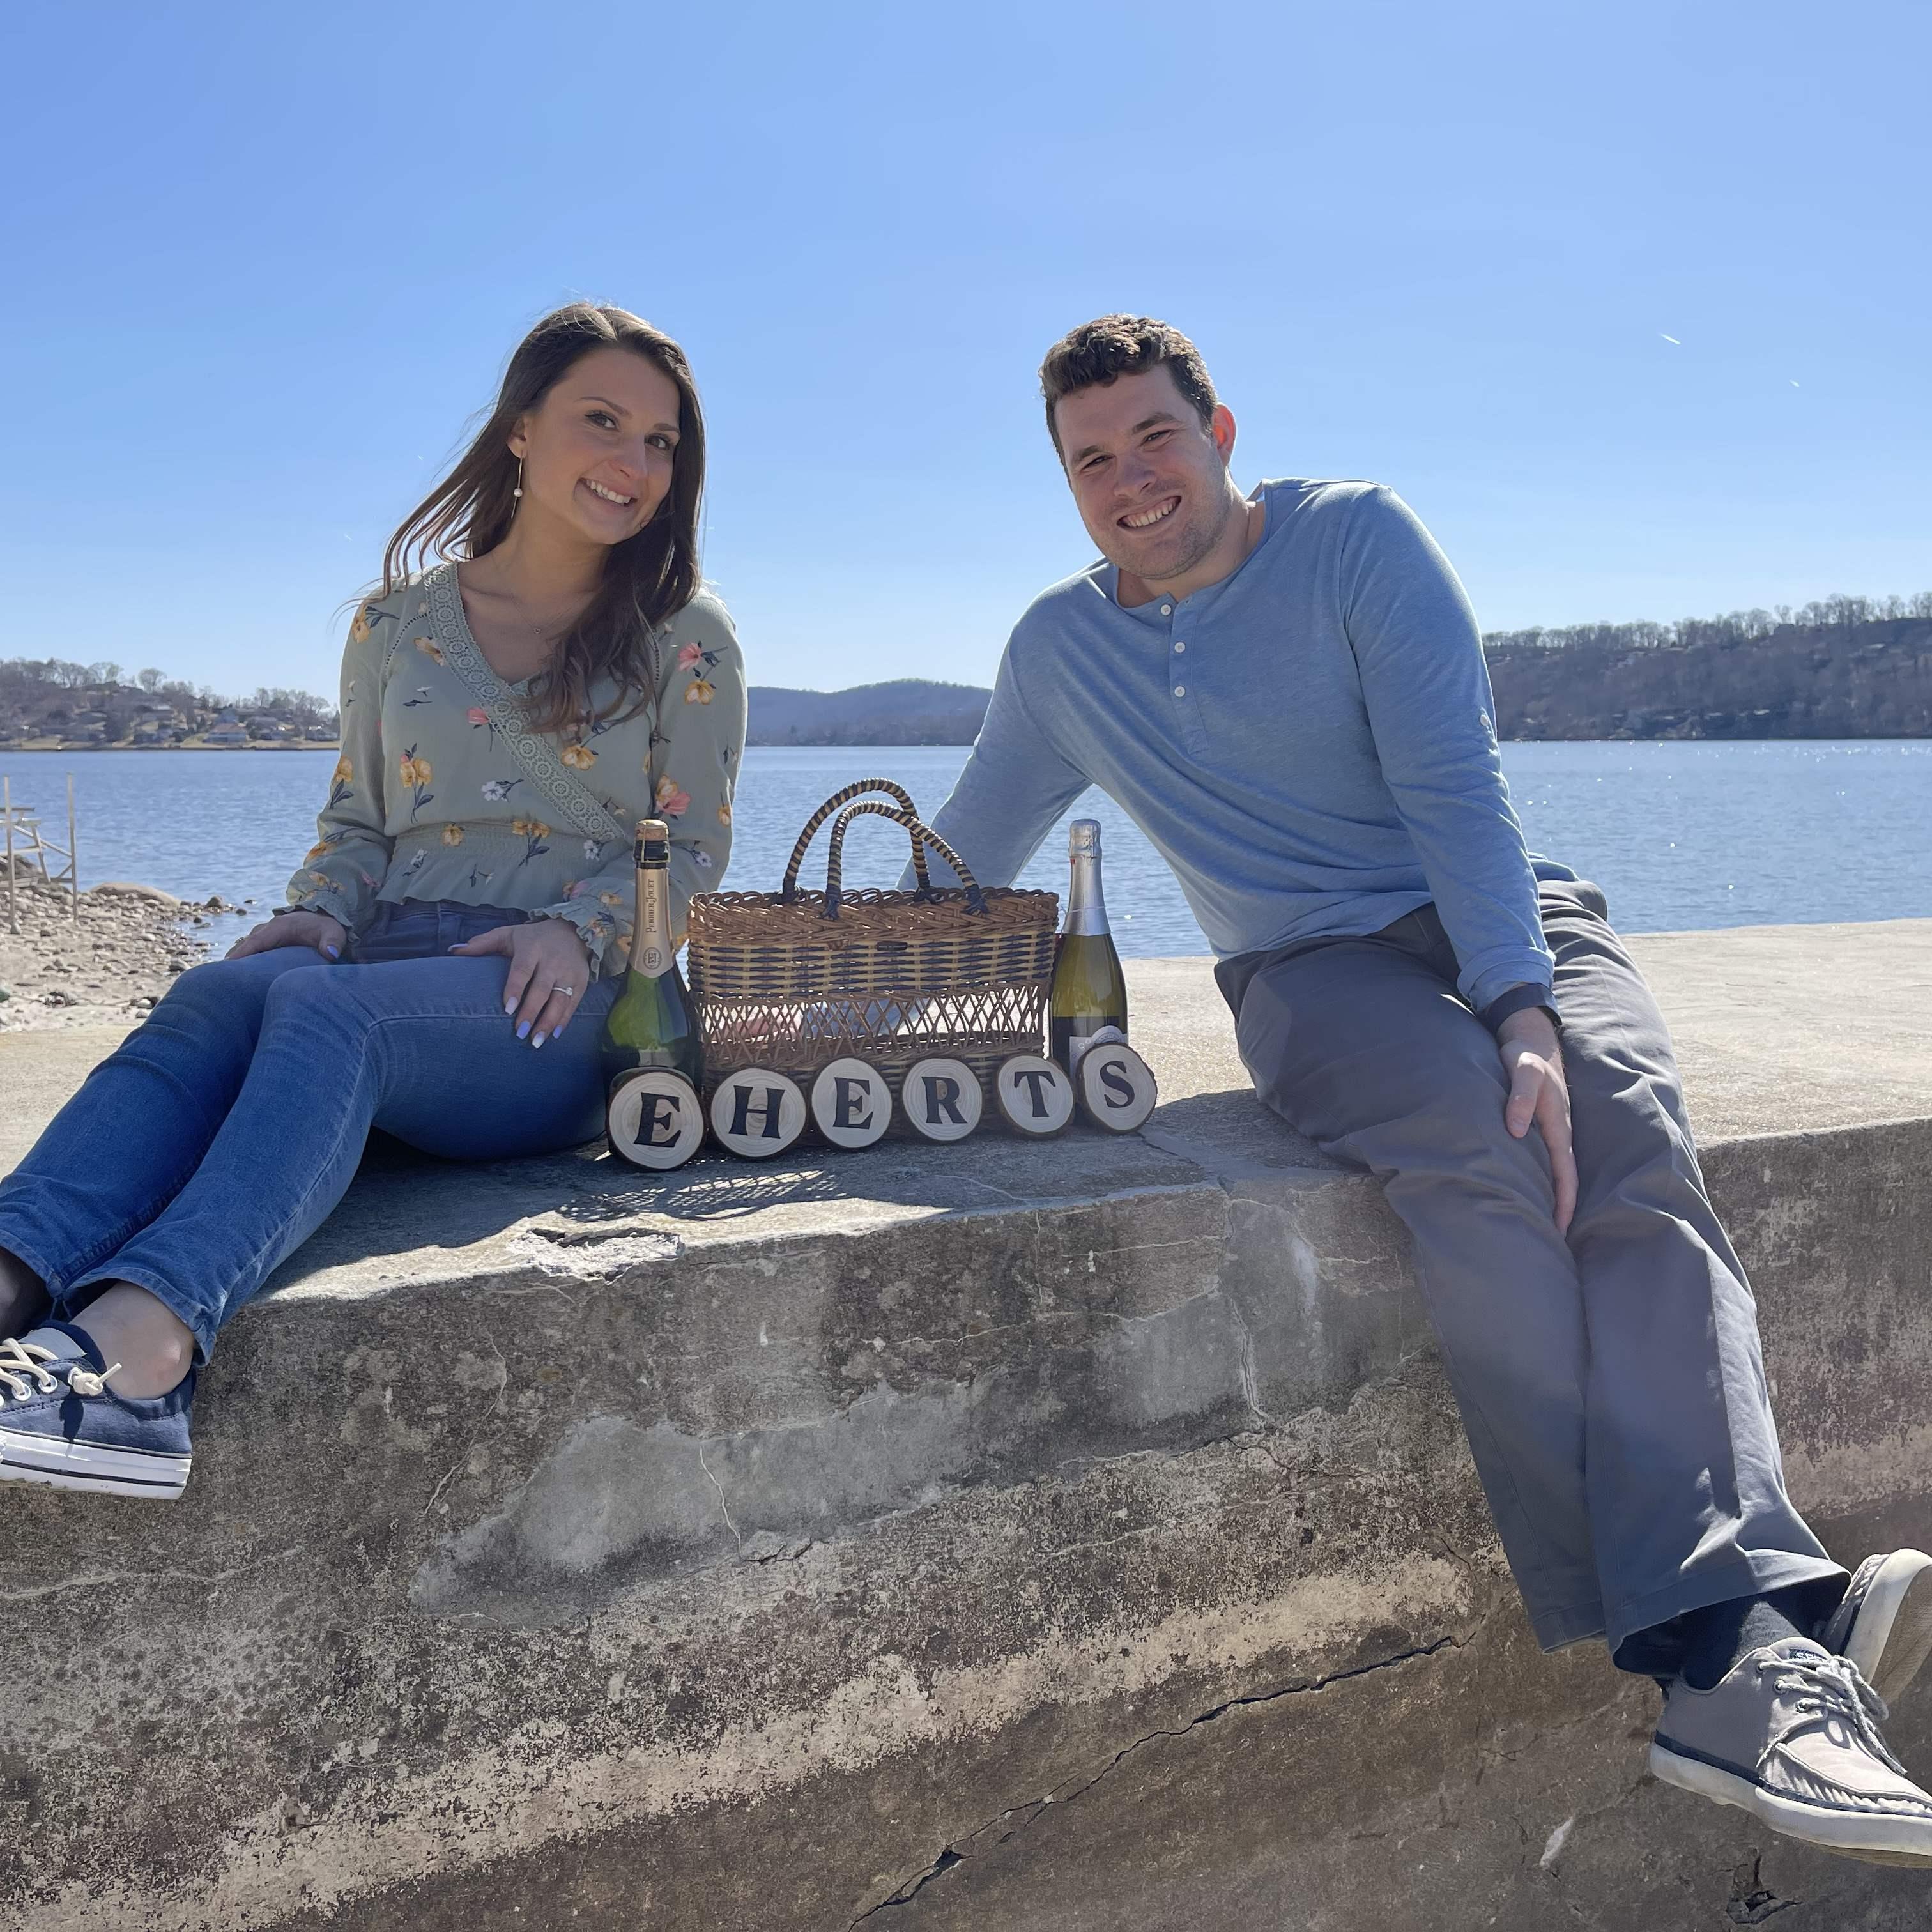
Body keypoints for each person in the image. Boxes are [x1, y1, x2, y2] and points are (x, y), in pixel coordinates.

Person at [912, 314, 1932, 1865]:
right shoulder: (1062, 654)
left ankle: (1734, 1652)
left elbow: (1461, 784)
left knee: (1623, 1133)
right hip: (1312, 977)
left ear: (1223, 429)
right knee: (1477, 1148)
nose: (1130, 480)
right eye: (1091, 459)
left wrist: (1522, 1001)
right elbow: (955, 867)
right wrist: (739, 962)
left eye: (1154, 437)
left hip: (1504, 912)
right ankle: (1764, 1632)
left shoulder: (1355, 542)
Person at [0, 302, 746, 1499]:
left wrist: (581, 926)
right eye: (600, 422)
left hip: (561, 1010)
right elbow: (356, 821)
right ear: (519, 430)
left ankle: (141, 1362)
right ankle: (13, 1276)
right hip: (383, 964)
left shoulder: (684, 634)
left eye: (662, 442)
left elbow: (694, 846)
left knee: (329, 1018)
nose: (634, 464)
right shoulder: (394, 624)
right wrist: (320, 912)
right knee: (226, 989)